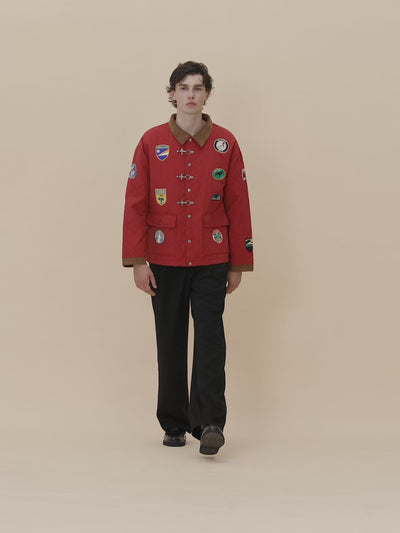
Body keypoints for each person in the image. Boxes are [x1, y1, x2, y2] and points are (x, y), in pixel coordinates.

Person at [122, 61, 253, 455]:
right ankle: (174, 422)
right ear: (172, 93)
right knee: (170, 339)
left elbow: (238, 203)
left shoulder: (226, 143)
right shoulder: (151, 141)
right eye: (184, 87)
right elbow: (136, 202)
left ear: (207, 94)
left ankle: (210, 422)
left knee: (211, 339)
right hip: (164, 258)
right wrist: (138, 260)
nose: (191, 95)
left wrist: (237, 263)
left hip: (213, 257)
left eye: (198, 88)